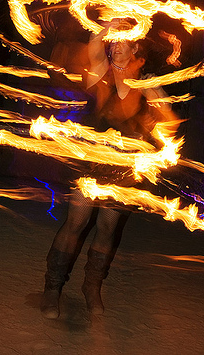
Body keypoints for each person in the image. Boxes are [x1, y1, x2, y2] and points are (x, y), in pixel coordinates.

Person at [40, 19, 178, 319]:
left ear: (135, 48)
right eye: (113, 42)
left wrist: (160, 108)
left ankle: (92, 286)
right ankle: (53, 288)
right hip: (94, 161)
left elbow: (170, 122)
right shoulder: (101, 74)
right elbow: (94, 49)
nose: (115, 46)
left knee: (106, 229)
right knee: (75, 223)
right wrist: (107, 26)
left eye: (121, 42)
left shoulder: (147, 82)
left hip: (125, 170)